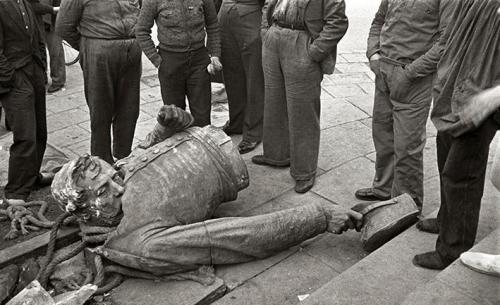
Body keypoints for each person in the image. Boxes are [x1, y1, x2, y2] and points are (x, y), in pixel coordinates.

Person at [51, 105, 363, 276]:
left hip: (206, 137)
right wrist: (317, 217)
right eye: (105, 189)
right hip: (229, 170)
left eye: (111, 174)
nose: (118, 186)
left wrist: (168, 124)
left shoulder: (113, 183)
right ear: (86, 208)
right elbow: (235, 236)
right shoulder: (140, 242)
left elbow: (144, 152)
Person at [413, 0, 500, 270]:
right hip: (458, 83)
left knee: (461, 173)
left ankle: (453, 248)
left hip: (484, 92)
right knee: (446, 156)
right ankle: (446, 220)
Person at [354, 0, 453, 210]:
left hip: (414, 78)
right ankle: (383, 189)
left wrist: (410, 72)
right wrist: (374, 55)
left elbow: (446, 41)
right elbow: (378, 21)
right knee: (383, 135)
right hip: (384, 71)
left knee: (407, 146)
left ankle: (406, 206)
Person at [251, 0, 348, 193]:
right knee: (274, 102)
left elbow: (337, 22)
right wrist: (265, 30)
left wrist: (316, 50)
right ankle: (276, 156)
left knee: (302, 111)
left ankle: (304, 171)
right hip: (274, 38)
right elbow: (268, 4)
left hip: (302, 41)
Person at [56, 0, 142, 164]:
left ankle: (123, 155)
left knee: (129, 108)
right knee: (100, 109)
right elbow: (63, 26)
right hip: (99, 49)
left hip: (132, 49)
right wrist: (88, 47)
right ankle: (102, 160)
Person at [135, 0, 222, 127]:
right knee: (175, 119)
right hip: (170, 63)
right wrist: (157, 60)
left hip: (199, 62)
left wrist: (214, 54)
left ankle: (201, 145)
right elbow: (141, 31)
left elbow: (213, 25)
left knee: (202, 118)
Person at [0, 0, 52, 205]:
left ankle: (31, 178)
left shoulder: (23, 1)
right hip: (15, 77)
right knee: (25, 136)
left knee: (40, 132)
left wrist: (42, 68)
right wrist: (9, 78)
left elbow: (38, 38)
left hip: (34, 71)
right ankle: (15, 192)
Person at [218, 0, 264, 154]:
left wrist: (263, 26)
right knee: (231, 76)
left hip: (251, 18)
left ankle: (254, 131)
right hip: (224, 18)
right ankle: (237, 122)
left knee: (254, 78)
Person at [29, 0, 65, 93]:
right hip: (37, 20)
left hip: (52, 22)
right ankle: (43, 77)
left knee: (55, 52)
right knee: (40, 51)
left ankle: (58, 81)